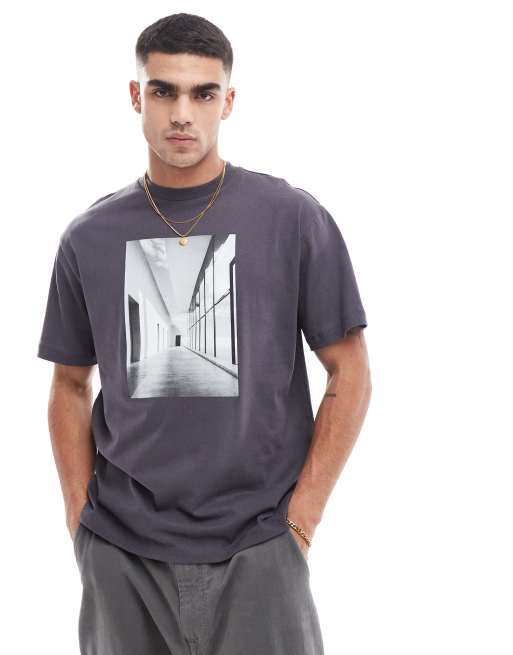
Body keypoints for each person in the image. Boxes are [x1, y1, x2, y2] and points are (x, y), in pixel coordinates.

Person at [37, 12, 372, 655]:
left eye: (203, 93)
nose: (182, 114)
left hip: (260, 546)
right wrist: (81, 523)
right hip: (122, 553)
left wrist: (301, 521)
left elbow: (349, 368)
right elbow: (69, 384)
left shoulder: (291, 217)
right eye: (163, 91)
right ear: (136, 96)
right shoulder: (89, 237)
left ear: (229, 101)